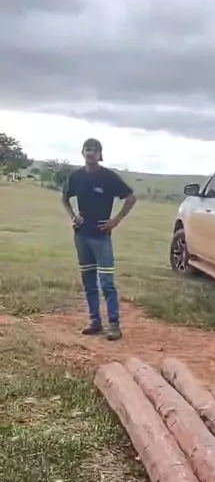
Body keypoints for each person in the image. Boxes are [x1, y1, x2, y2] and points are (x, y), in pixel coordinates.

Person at [62, 138, 136, 340]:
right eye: (87, 149)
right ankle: (95, 322)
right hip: (81, 236)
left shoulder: (108, 177)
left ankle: (114, 325)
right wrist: (73, 216)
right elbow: (65, 198)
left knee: (106, 283)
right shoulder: (76, 177)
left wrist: (116, 220)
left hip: (101, 237)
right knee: (88, 282)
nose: (90, 152)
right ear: (82, 153)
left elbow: (131, 198)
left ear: (100, 154)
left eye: (94, 150)